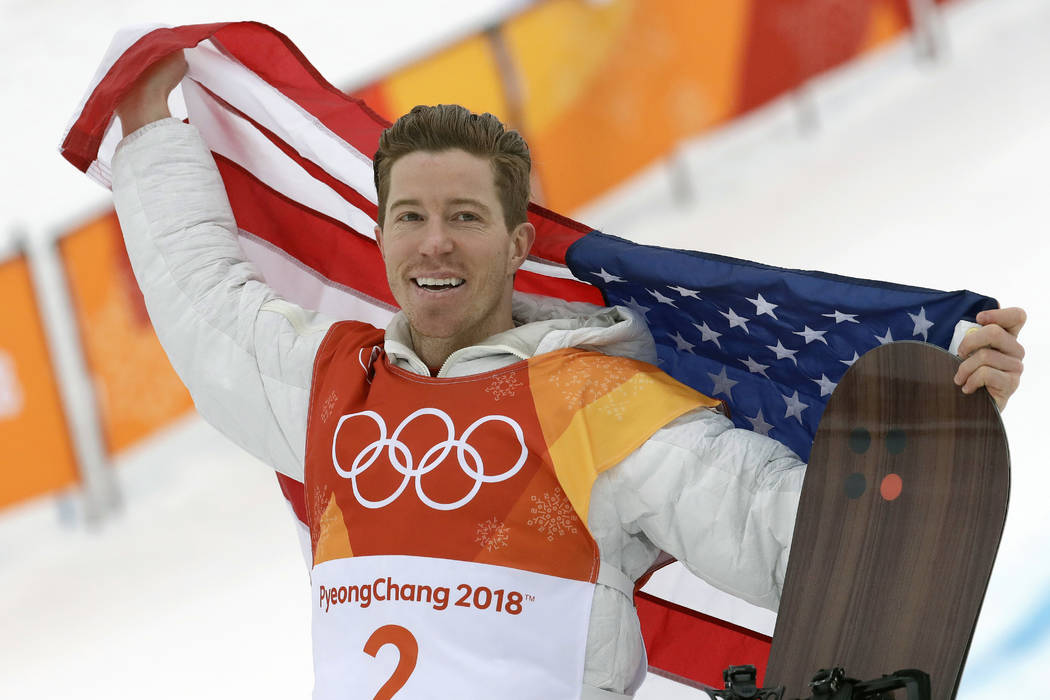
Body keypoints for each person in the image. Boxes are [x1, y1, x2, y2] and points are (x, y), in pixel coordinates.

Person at [112, 51, 1026, 699]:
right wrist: (149, 128)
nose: (434, 244)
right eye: (410, 217)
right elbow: (206, 310)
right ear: (383, 235)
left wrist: (943, 418)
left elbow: (795, 541)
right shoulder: (333, 386)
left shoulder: (595, 403)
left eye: (465, 217)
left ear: (516, 246)